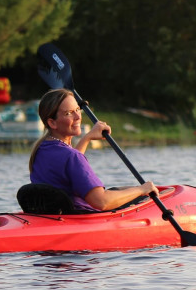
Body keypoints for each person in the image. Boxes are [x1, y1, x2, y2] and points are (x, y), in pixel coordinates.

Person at [28, 88, 157, 212]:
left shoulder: (41, 150)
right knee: (141, 196)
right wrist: (142, 190)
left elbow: (71, 166)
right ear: (52, 123)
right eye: (68, 113)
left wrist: (87, 137)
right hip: (80, 218)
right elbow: (101, 202)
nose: (78, 116)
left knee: (121, 189)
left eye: (77, 109)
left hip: (56, 216)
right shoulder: (71, 157)